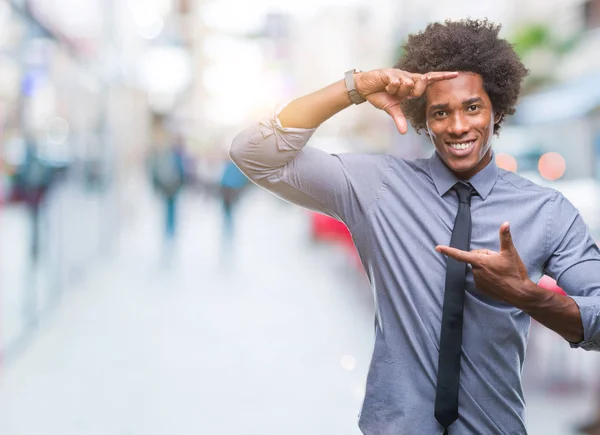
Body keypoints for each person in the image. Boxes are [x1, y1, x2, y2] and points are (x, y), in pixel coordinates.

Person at [229, 18, 600, 434]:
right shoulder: (378, 187)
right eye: (441, 112)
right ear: (423, 120)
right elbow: (253, 153)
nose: (458, 126)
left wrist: (527, 295)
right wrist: (354, 87)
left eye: (472, 107)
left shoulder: (547, 211)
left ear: (496, 108)